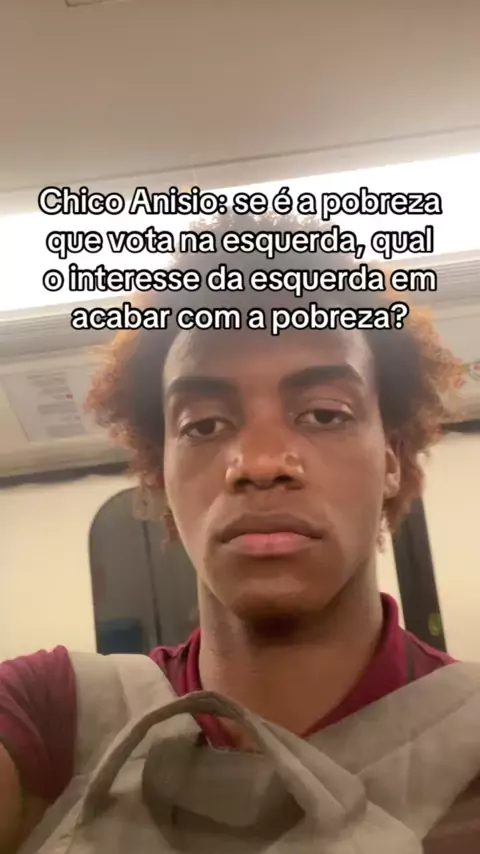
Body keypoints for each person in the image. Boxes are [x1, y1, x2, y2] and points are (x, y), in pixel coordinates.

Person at [1, 212, 478, 854]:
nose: (258, 463)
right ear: (161, 472)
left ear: (391, 459)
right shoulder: (51, 715)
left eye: (324, 414)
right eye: (203, 425)